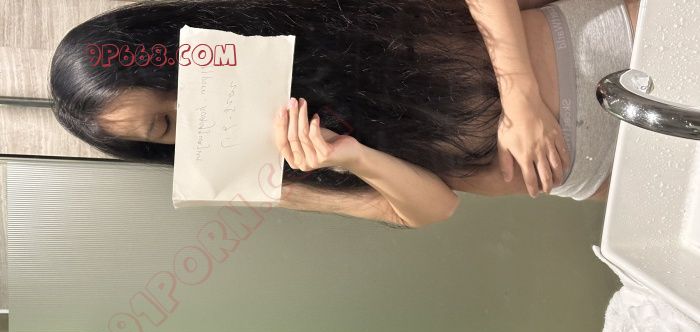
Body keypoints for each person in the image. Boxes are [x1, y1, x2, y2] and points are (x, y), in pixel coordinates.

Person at [50, 0, 639, 228]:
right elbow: (434, 209)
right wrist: (349, 159)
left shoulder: (294, 12)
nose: (192, 106)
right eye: (164, 126)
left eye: (172, 83)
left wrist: (520, 97)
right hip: (597, 176)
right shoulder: (271, 167)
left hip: (618, 52)